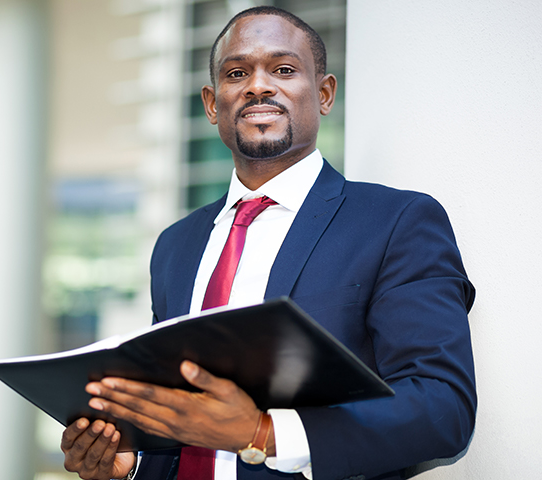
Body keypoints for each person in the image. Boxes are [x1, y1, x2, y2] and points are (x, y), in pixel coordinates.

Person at [60, 6, 476, 480]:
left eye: (282, 69)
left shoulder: (396, 222)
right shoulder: (176, 245)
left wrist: (261, 432)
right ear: (213, 104)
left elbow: (443, 407)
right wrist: (129, 467)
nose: (258, 85)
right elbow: (180, 416)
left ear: (323, 94)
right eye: (237, 73)